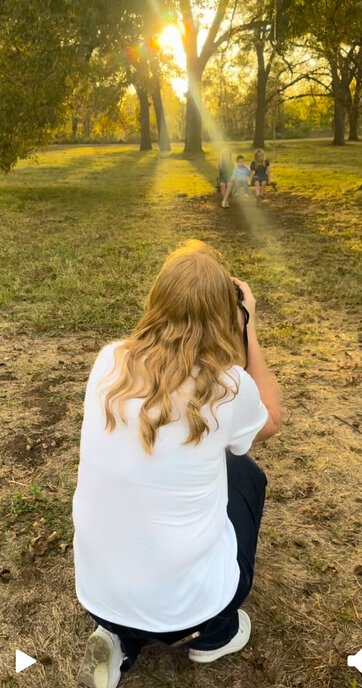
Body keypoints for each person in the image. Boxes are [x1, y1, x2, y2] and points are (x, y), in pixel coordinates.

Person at [73, 239, 281, 688]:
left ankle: (117, 637)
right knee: (243, 472)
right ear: (225, 312)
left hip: (97, 592)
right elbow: (271, 420)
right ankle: (213, 635)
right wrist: (249, 329)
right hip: (188, 609)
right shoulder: (229, 387)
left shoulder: (109, 360)